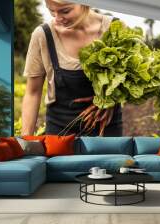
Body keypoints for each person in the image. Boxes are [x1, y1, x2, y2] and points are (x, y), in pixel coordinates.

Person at [21, 0, 122, 136]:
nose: (57, 18)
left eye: (65, 11)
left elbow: (130, 79)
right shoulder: (43, 35)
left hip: (106, 129)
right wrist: (25, 141)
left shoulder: (114, 28)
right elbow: (33, 92)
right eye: (51, 10)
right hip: (60, 133)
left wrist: (110, 99)